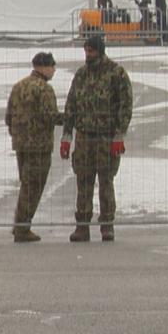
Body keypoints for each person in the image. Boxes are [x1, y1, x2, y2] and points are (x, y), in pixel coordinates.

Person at [60, 35, 132, 242]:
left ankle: (107, 225)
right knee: (83, 182)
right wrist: (67, 136)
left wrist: (119, 135)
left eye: (91, 51)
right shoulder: (81, 75)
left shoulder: (115, 73)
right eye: (86, 51)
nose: (88, 55)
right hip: (84, 138)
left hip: (106, 138)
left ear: (100, 51)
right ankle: (82, 225)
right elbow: (71, 105)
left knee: (106, 181)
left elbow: (125, 105)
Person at [6, 51, 60, 242]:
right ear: (44, 67)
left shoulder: (18, 86)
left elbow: (8, 116)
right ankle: (22, 226)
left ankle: (20, 224)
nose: (54, 71)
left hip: (21, 144)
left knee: (26, 184)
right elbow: (50, 116)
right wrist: (70, 118)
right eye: (53, 67)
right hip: (39, 145)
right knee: (34, 186)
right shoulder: (44, 89)